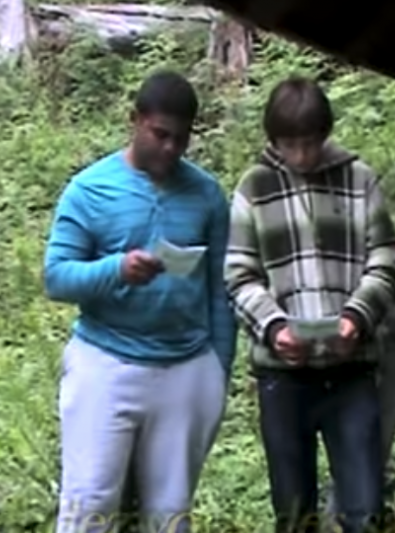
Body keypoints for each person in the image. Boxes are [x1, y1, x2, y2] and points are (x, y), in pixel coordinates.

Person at [44, 70, 236, 533]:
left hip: (186, 366)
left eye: (182, 139)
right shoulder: (89, 189)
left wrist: (218, 367)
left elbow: (219, 289)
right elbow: (56, 277)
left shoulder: (206, 194)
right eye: (160, 135)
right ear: (135, 121)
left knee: (170, 513)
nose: (171, 148)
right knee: (90, 502)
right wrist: (115, 269)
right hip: (105, 362)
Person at [224, 77, 395, 533]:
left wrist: (356, 317)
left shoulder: (359, 180)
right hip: (283, 379)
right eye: (290, 145)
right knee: (293, 512)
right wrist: (274, 327)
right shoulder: (254, 188)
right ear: (274, 141)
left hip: (351, 371)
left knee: (365, 512)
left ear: (325, 135)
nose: (302, 155)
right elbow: (239, 276)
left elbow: (387, 261)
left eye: (310, 143)